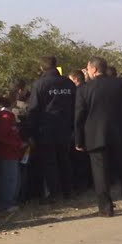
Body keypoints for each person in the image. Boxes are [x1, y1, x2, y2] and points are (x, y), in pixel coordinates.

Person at [74, 56, 122, 217]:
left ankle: (106, 208)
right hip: (120, 133)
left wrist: (79, 140)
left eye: (88, 68)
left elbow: (79, 116)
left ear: (94, 69)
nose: (87, 71)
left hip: (95, 136)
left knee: (100, 174)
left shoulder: (84, 89)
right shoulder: (120, 84)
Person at [25, 56, 77, 201]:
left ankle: (54, 193)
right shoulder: (68, 83)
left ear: (42, 68)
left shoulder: (40, 84)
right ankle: (68, 191)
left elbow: (33, 109)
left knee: (49, 162)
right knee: (65, 160)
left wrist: (30, 132)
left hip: (46, 129)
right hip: (66, 128)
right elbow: (76, 106)